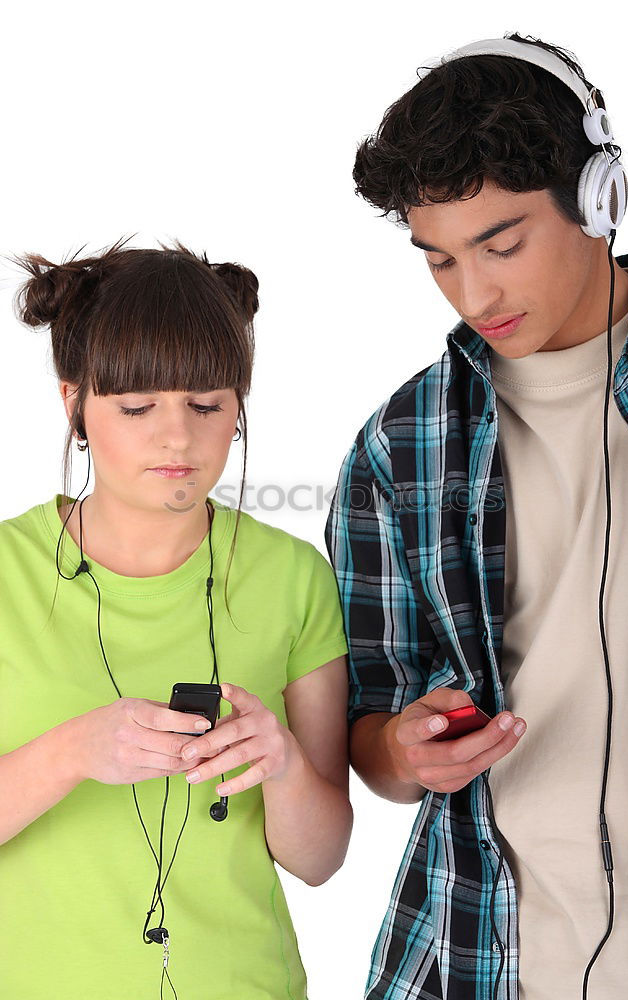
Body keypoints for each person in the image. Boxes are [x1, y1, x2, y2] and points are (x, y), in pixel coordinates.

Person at [325, 31, 628, 1000]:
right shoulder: (401, 444)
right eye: (437, 259)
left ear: (599, 196)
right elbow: (368, 733)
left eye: (501, 243)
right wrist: (401, 747)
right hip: (475, 953)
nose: (473, 293)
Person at [0, 238, 352, 1000]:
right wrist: (72, 752)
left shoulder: (293, 579)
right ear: (75, 405)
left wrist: (283, 764)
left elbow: (321, 859)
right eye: (136, 406)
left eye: (206, 404)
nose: (177, 437)